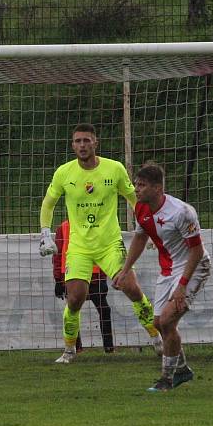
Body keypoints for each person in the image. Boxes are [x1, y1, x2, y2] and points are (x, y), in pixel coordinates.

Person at [38, 123, 161, 364]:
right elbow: (48, 203)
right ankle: (69, 350)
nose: (82, 145)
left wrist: (150, 227)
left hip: (109, 244)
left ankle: (157, 339)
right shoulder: (64, 172)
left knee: (132, 290)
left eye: (86, 140)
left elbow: (134, 198)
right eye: (77, 141)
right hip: (79, 247)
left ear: (96, 143)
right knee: (74, 298)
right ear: (73, 145)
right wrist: (45, 234)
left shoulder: (114, 169)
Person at [113, 163, 211, 392]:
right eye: (136, 184)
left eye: (142, 185)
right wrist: (125, 270)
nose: (136, 189)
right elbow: (139, 238)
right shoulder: (141, 208)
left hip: (194, 267)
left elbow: (196, 250)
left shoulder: (182, 212)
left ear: (158, 188)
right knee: (159, 323)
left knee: (167, 321)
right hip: (167, 270)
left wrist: (182, 286)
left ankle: (166, 379)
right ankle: (183, 370)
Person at [53, 219, 115, 353]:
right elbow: (58, 254)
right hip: (72, 277)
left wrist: (103, 277)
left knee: (104, 310)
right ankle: (76, 347)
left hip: (95, 278)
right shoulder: (63, 227)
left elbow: (103, 251)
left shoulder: (94, 225)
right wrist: (58, 280)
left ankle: (109, 347)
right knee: (73, 311)